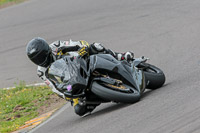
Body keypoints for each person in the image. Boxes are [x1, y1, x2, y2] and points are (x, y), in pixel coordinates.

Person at [26, 37, 134, 116]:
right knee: (79, 110)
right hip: (72, 81)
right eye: (37, 60)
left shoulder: (56, 46)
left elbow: (78, 43)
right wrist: (66, 94)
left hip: (81, 61)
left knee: (96, 46)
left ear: (46, 51)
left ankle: (121, 56)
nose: (41, 61)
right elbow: (54, 87)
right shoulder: (41, 72)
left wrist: (82, 48)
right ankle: (104, 94)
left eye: (41, 57)